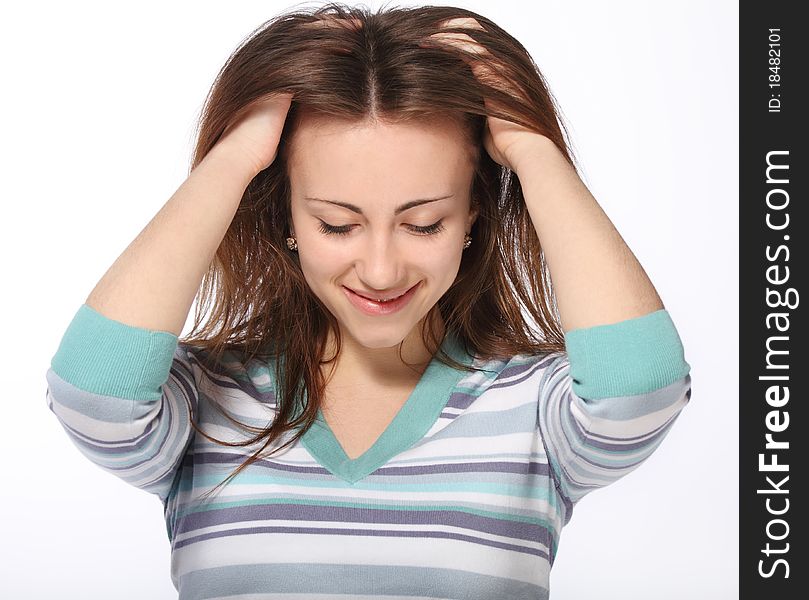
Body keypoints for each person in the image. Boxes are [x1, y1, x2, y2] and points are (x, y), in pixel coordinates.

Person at [45, 3, 692, 599]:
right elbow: (94, 396)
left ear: (471, 213)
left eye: (423, 223)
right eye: (337, 224)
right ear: (288, 218)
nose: (381, 270)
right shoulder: (207, 401)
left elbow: (637, 389)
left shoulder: (530, 411)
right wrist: (237, 154)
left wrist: (530, 146)